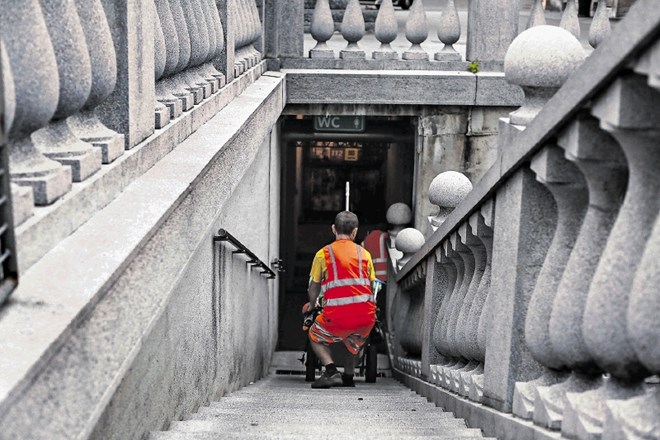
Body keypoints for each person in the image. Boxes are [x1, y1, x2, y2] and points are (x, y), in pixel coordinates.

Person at [305, 211, 377, 389]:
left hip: (336, 315)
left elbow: (314, 287)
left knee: (314, 335)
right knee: (352, 338)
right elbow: (371, 284)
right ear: (355, 232)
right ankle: (349, 374)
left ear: (333, 229)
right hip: (365, 318)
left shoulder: (324, 254)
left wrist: (312, 306)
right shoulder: (365, 254)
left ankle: (331, 371)